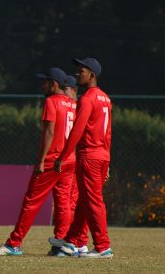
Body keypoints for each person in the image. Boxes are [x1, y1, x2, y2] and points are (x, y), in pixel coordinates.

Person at [0, 67, 76, 256]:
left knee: (31, 201)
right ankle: (61, 245)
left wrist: (41, 160)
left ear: (54, 84)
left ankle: (14, 244)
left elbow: (50, 132)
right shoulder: (72, 104)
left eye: (45, 81)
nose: (42, 84)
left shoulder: (51, 102)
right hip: (69, 160)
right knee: (63, 203)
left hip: (52, 160)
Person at [52, 58, 113, 259]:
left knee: (93, 202)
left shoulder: (87, 99)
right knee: (83, 202)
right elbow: (109, 133)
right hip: (102, 155)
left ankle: (103, 247)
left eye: (82, 71)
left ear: (92, 75)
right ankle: (71, 241)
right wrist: (108, 160)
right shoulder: (105, 98)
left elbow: (77, 129)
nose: (78, 74)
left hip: (90, 156)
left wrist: (64, 155)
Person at [60, 75, 90, 255]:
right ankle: (75, 240)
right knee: (72, 203)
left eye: (65, 90)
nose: (62, 93)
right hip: (72, 159)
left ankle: (78, 241)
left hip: (78, 159)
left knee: (77, 202)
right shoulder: (72, 106)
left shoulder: (80, 105)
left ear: (73, 90)